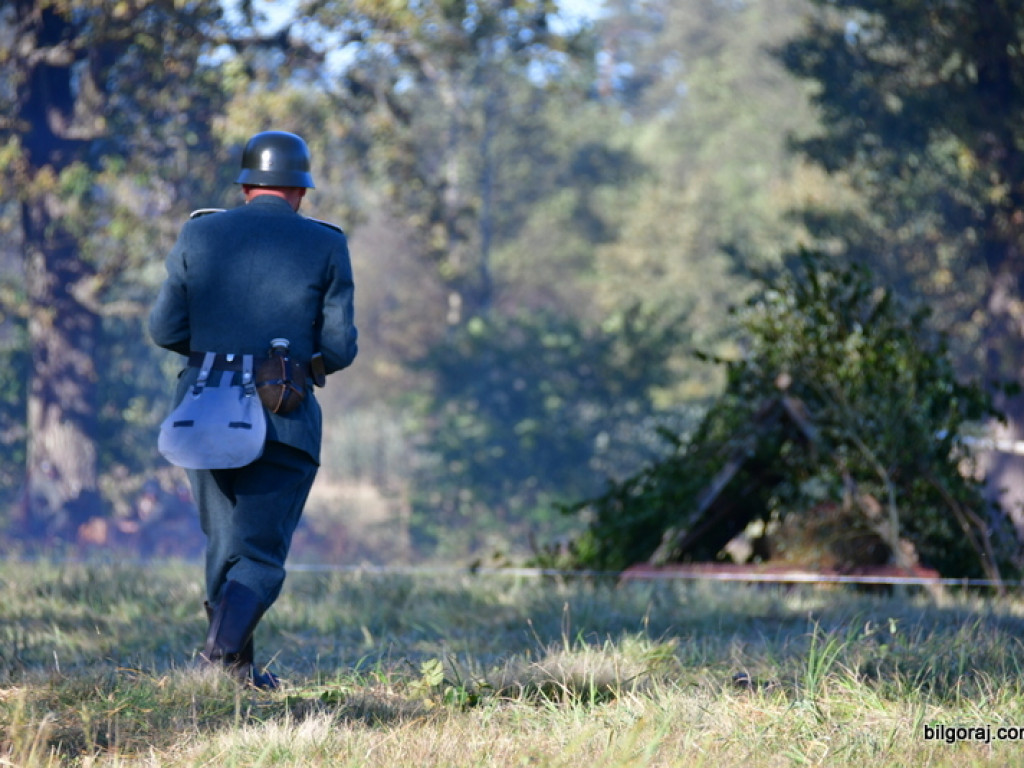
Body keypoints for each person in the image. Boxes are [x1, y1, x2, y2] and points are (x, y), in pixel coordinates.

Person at [149, 130, 358, 689]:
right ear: (301, 191)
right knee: (259, 553)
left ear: (245, 185)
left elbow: (164, 328)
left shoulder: (200, 231)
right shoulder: (326, 243)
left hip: (201, 412)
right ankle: (217, 663)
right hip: (281, 416)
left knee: (225, 546)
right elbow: (339, 349)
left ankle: (235, 675)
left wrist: (215, 358)